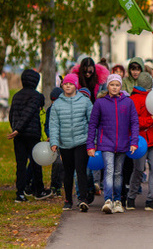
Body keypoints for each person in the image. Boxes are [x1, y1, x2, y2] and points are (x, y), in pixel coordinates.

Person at [87, 74, 139, 214]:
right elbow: (92, 125)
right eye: (112, 85)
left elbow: (134, 122)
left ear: (120, 87)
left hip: (122, 143)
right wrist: (90, 145)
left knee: (118, 172)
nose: (114, 87)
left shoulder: (128, 102)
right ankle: (108, 200)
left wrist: (134, 141)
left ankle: (118, 201)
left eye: (117, 85)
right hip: (106, 143)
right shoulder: (100, 103)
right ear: (108, 86)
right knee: (109, 170)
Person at [49, 74, 93, 211]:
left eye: (71, 84)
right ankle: (68, 199)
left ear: (76, 86)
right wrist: (54, 142)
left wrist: (93, 141)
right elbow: (54, 124)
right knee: (67, 172)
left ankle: (83, 199)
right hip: (65, 143)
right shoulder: (57, 104)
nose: (68, 86)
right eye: (66, 84)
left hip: (82, 141)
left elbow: (92, 122)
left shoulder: (85, 102)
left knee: (81, 171)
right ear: (62, 85)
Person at [8, 69, 51, 202]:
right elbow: (29, 111)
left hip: (18, 136)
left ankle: (20, 193)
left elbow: (11, 114)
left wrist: (15, 128)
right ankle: (39, 190)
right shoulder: (37, 96)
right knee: (36, 163)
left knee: (20, 164)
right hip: (32, 134)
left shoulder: (16, 96)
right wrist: (19, 129)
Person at [126, 72, 153, 211]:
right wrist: (151, 120)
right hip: (140, 140)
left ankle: (150, 200)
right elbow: (133, 122)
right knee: (139, 169)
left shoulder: (152, 97)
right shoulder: (134, 100)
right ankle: (131, 197)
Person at [44, 87, 64, 197]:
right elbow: (47, 125)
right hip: (54, 140)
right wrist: (49, 135)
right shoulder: (50, 110)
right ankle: (54, 185)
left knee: (62, 163)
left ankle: (59, 185)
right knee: (56, 163)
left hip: (64, 139)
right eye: (52, 100)